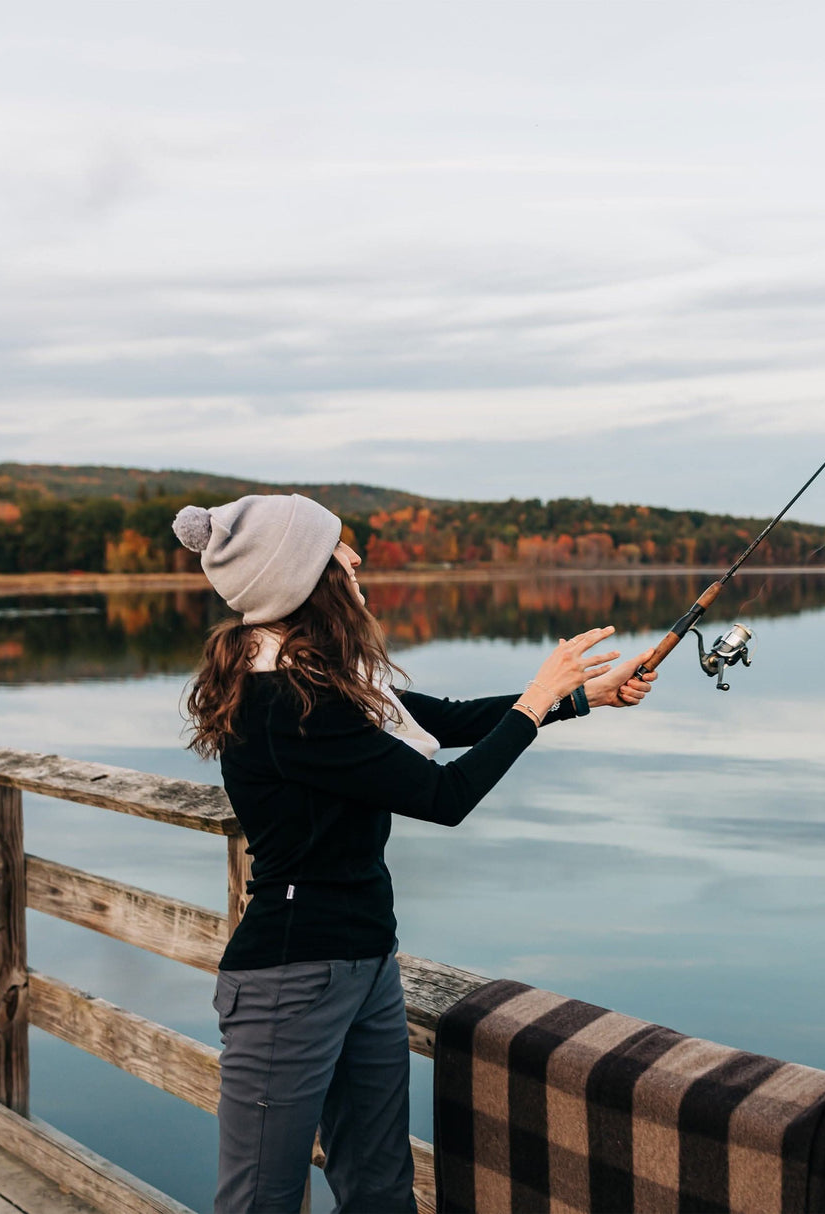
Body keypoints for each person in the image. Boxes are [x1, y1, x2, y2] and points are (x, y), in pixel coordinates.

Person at [173, 494, 657, 1214]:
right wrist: (535, 699)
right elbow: (445, 795)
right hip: (289, 977)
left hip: (366, 962)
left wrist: (583, 696)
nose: (357, 557)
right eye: (340, 549)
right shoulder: (284, 705)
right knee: (260, 1200)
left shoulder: (334, 685)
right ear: (305, 579)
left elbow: (452, 720)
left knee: (380, 1188)